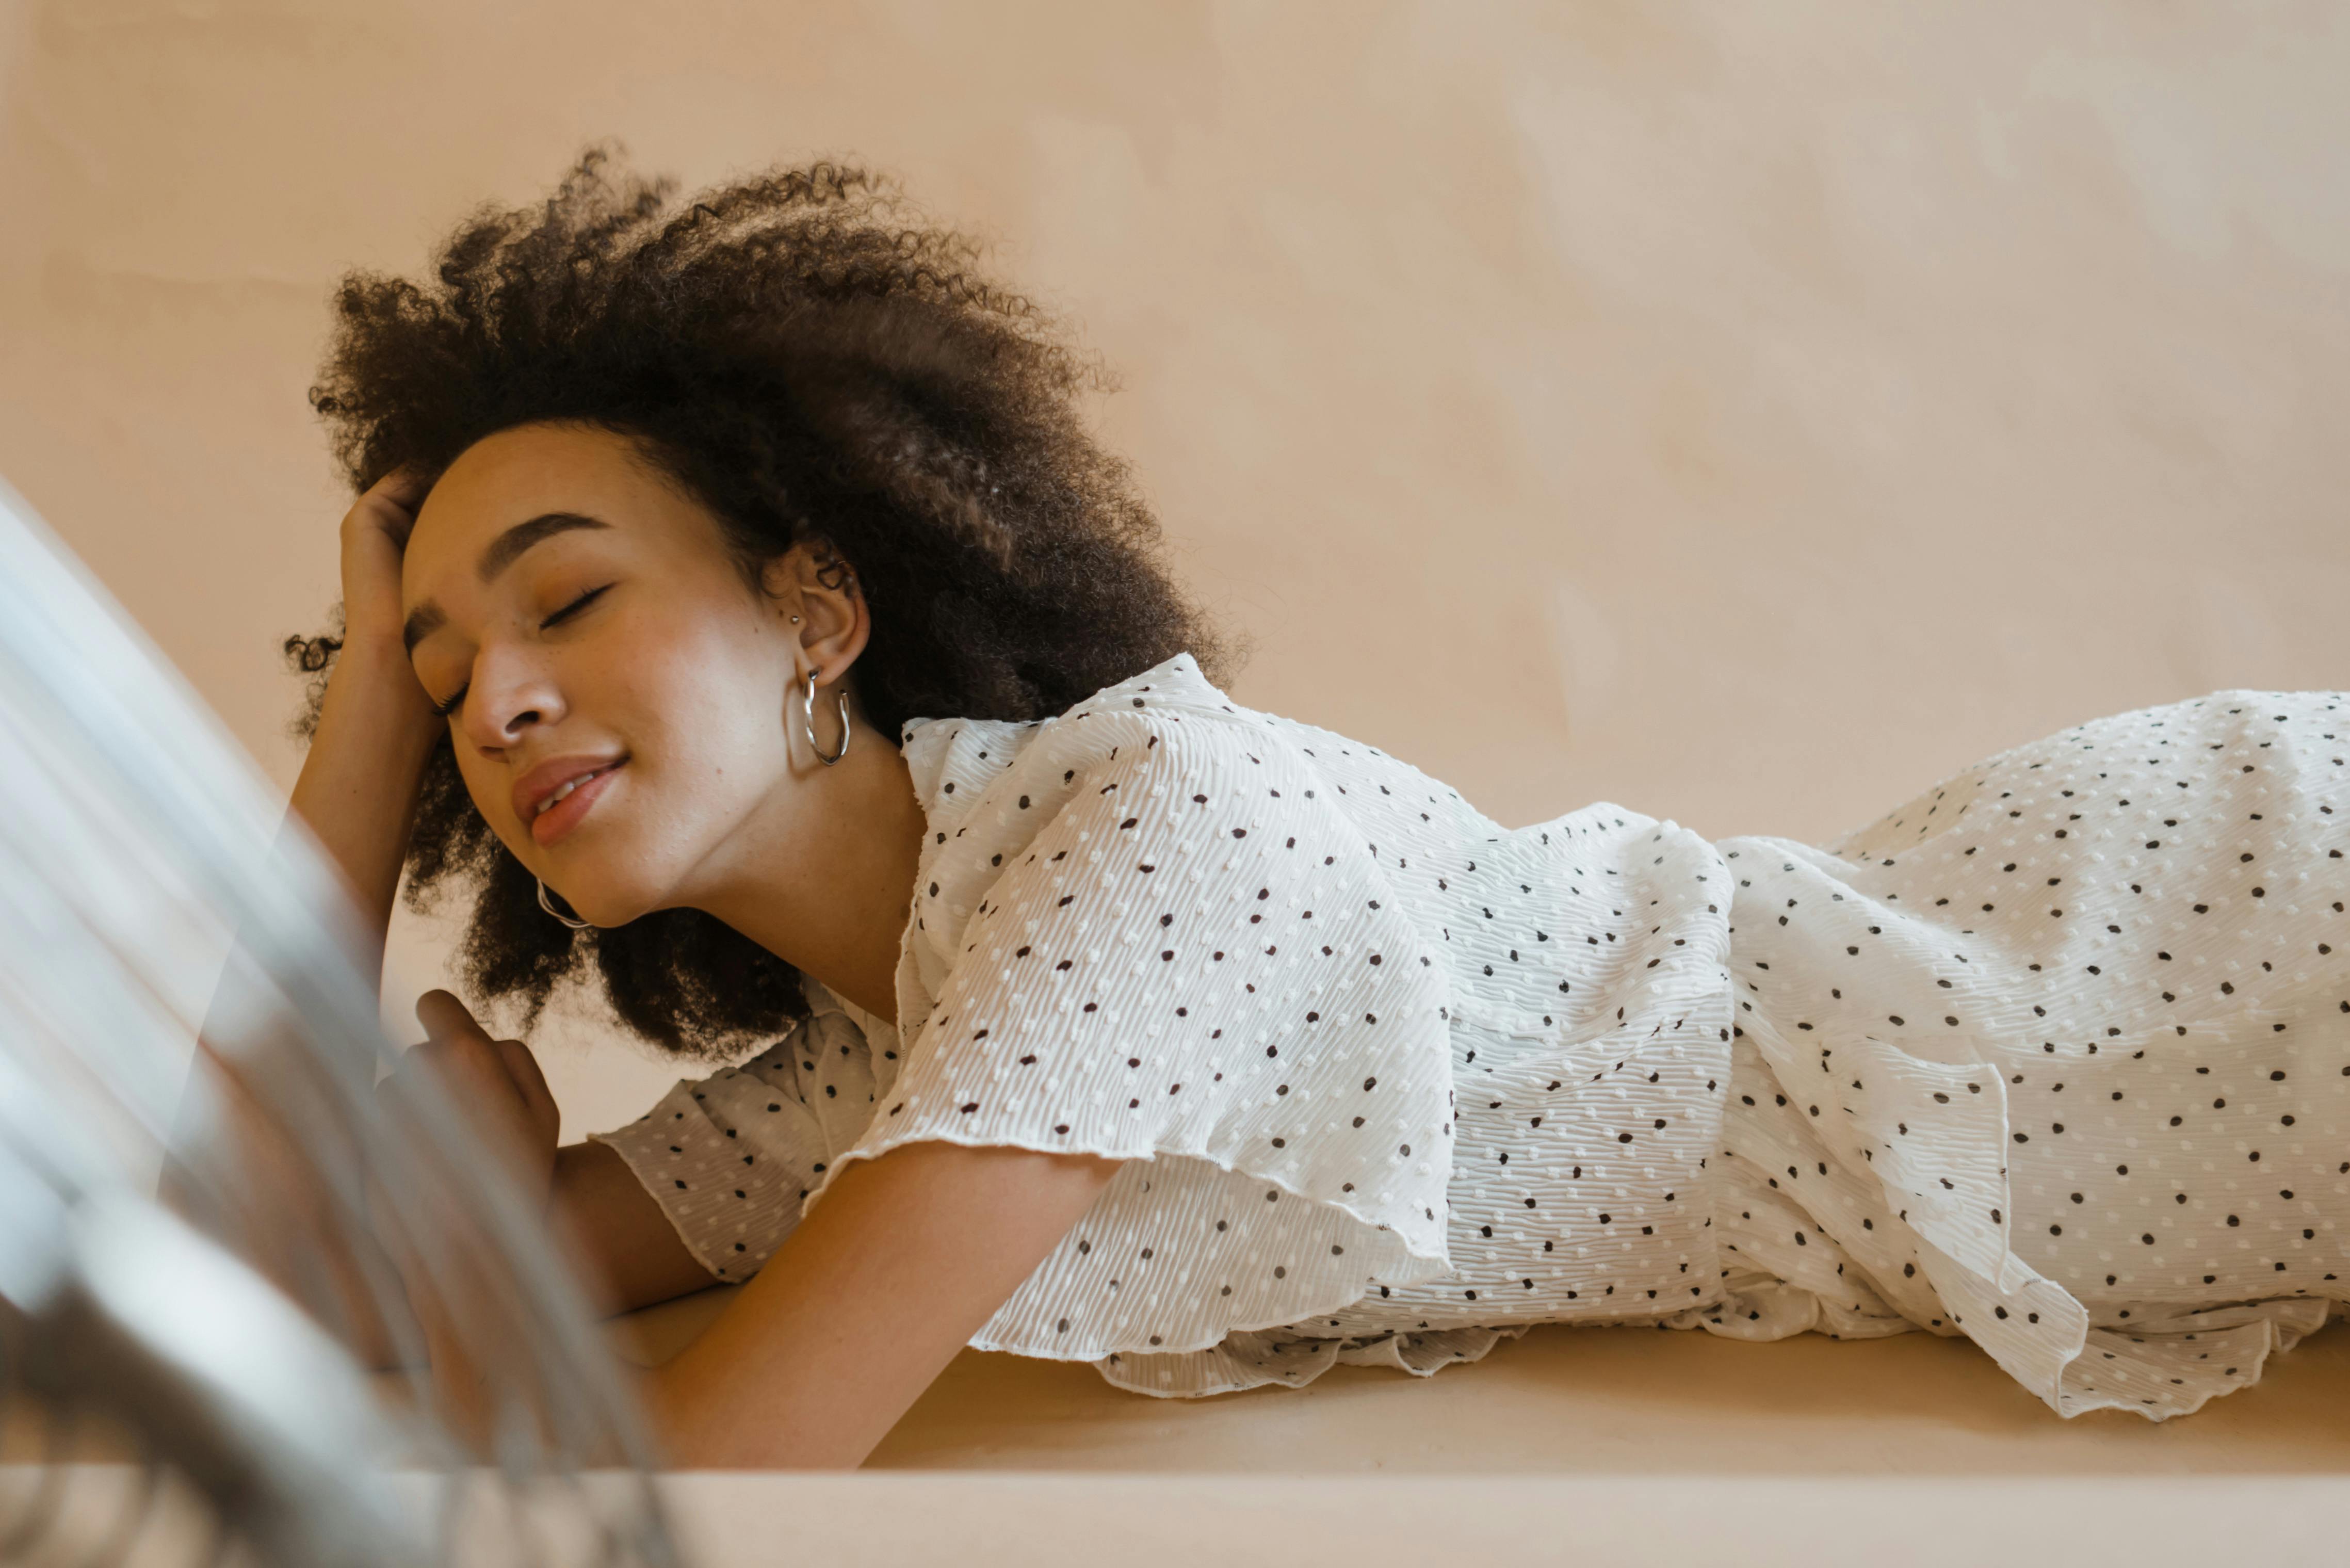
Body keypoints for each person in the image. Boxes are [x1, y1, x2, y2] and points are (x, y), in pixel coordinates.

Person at [284, 149, 2346, 1469]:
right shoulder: (854, 1075)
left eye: (563, 597)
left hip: (2171, 970)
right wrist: (357, 751)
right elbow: (267, 1289)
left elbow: (733, 1457)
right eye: (450, 677)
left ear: (819, 602)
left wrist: (458, 1259)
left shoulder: (1142, 833)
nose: (503, 693)